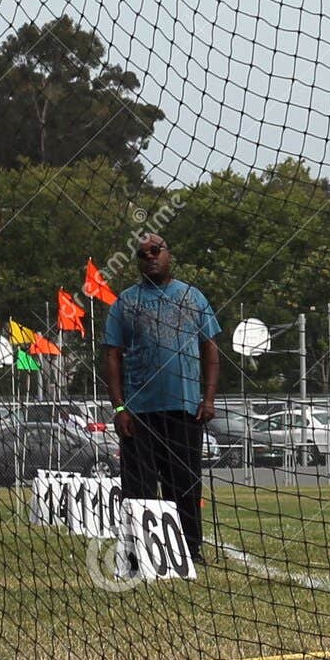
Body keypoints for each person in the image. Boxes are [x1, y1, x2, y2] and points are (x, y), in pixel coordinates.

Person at [103, 234, 221, 565]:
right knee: (138, 484)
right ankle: (138, 551)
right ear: (137, 262)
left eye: (156, 251)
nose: (150, 257)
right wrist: (120, 407)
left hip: (184, 409)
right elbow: (112, 355)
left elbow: (211, 348)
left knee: (184, 483)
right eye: (143, 255)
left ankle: (190, 550)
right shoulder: (125, 302)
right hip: (139, 413)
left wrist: (208, 398)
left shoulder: (192, 297)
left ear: (168, 254)